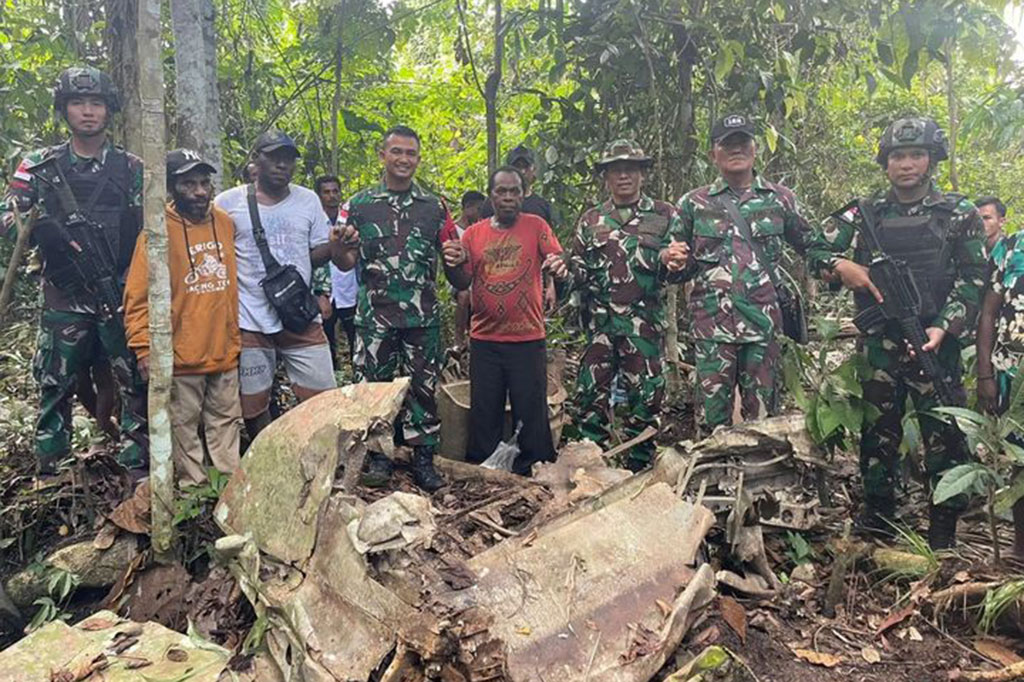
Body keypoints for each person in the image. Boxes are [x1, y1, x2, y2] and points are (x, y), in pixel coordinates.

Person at [807, 116, 987, 549]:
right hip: (880, 342)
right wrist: (841, 266)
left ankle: (942, 532)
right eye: (897, 156)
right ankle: (878, 522)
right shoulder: (865, 213)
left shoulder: (958, 213)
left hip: (934, 342)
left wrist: (945, 324)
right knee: (877, 432)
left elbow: (975, 277)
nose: (906, 164)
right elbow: (814, 248)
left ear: (931, 160)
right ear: (885, 163)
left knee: (944, 432)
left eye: (916, 155)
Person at [0, 66, 148, 476]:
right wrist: (40, 230)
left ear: (108, 109)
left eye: (96, 103)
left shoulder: (130, 167)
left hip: (117, 291)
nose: (87, 112)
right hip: (63, 294)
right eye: (78, 103)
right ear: (64, 109)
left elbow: (149, 229)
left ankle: (135, 465)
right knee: (55, 383)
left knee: (135, 380)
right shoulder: (38, 164)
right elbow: (7, 216)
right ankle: (52, 468)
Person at [335, 125, 455, 492]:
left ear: (418, 158)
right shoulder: (356, 205)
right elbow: (343, 261)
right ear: (382, 155)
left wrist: (457, 256)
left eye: (411, 153)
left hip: (422, 317)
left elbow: (453, 256)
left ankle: (423, 459)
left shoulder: (434, 206)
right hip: (375, 317)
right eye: (397, 152)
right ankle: (379, 456)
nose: (404, 159)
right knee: (373, 389)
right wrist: (339, 244)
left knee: (423, 388)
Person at [677, 113, 814, 435]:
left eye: (742, 142)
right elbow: (673, 267)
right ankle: (711, 480)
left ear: (755, 149)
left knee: (765, 420)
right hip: (712, 329)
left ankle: (760, 482)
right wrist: (671, 260)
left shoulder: (780, 199)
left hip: (764, 327)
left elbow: (811, 246)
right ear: (713, 153)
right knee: (711, 421)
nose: (735, 149)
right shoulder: (692, 204)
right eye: (727, 144)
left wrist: (839, 267)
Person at [123, 149, 241, 486]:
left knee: (226, 423)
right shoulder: (156, 232)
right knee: (184, 429)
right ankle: (194, 491)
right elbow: (137, 297)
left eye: (205, 182)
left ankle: (228, 490)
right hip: (181, 356)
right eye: (189, 184)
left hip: (224, 350)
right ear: (173, 188)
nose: (201, 191)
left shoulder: (224, 222)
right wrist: (144, 349)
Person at [568, 140, 688, 471]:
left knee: (647, 399)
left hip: (644, 326)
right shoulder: (591, 220)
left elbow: (679, 265)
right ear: (605, 176)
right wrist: (562, 270)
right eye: (615, 170)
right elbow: (577, 269)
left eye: (630, 169)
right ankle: (590, 469)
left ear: (642, 174)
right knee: (590, 399)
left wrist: (671, 260)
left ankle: (640, 468)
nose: (623, 175)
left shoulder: (665, 215)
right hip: (599, 328)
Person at [214, 130, 341, 439]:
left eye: (288, 159)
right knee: (253, 404)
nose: (282, 165)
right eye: (273, 157)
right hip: (250, 320)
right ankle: (266, 457)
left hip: (299, 315)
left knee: (323, 397)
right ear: (256, 159)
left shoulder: (308, 200)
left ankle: (317, 457)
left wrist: (337, 246)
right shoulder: (227, 202)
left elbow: (316, 254)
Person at [444, 167, 568, 475]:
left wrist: (558, 267)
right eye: (502, 191)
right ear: (492, 196)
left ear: (523, 194)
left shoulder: (536, 226)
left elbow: (557, 260)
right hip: (485, 340)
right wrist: (451, 264)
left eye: (515, 191)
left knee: (531, 411)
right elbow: (462, 281)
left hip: (527, 338)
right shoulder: (474, 234)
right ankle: (484, 471)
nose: (509, 197)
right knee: (485, 411)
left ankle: (535, 470)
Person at [976, 229, 1024, 555]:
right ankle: (1021, 548)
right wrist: (985, 374)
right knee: (1021, 461)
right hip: (1014, 374)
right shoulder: (1011, 247)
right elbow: (989, 313)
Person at [481, 146, 558, 311]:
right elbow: (480, 245)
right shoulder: (491, 204)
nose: (521, 171)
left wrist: (550, 285)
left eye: (525, 167)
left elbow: (548, 251)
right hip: (497, 280)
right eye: (517, 167)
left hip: (532, 286)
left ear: (533, 170)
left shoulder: (541, 206)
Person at [314, 175, 359, 369]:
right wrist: (319, 292)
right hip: (325, 293)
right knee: (326, 342)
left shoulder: (350, 220)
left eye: (335, 191)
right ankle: (332, 380)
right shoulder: (314, 221)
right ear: (319, 195)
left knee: (355, 340)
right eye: (326, 192)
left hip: (349, 289)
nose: (331, 196)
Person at [440, 190, 486, 346]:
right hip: (457, 280)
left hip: (476, 278)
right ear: (468, 207)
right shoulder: (453, 230)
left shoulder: (480, 230)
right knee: (464, 295)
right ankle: (458, 340)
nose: (481, 213)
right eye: (478, 209)